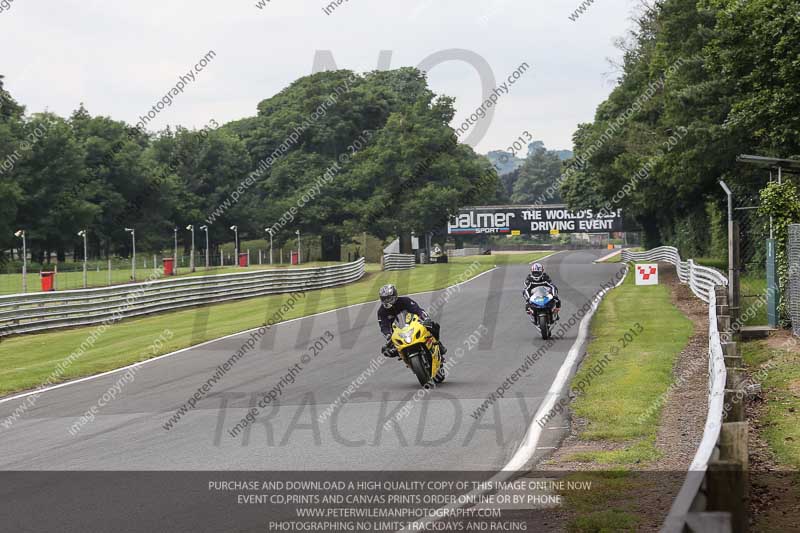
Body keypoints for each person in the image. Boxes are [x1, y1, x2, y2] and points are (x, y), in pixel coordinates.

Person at [377, 284, 446, 357]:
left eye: (388, 298)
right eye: (384, 299)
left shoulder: (405, 301)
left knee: (432, 325)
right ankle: (404, 356)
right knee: (387, 351)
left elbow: (417, 310)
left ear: (395, 295)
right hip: (398, 332)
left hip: (413, 324)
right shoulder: (381, 311)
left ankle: (438, 344)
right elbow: (383, 326)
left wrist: (425, 318)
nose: (386, 301)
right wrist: (388, 335)